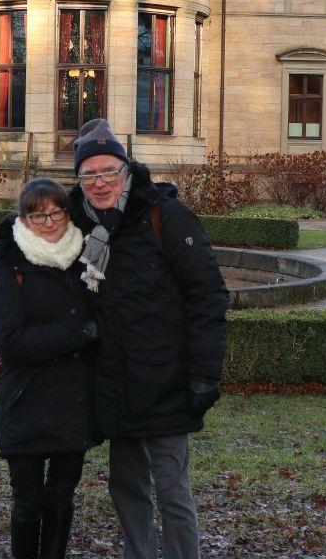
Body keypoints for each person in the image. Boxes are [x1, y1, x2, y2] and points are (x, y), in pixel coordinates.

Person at [69, 118, 229, 559]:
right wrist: (0, 270)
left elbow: (208, 296)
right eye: (88, 174)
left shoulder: (164, 214)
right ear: (78, 179)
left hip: (167, 380)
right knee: (127, 488)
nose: (99, 183)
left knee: (173, 491)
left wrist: (204, 375)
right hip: (114, 382)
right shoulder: (78, 223)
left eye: (107, 172)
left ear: (125, 169)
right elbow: (35, 247)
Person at [0, 178, 102, 559]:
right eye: (38, 215)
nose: (48, 221)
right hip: (27, 402)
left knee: (61, 498)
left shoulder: (85, 260)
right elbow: (12, 343)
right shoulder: (9, 266)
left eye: (55, 212)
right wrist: (78, 333)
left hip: (73, 401)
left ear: (68, 213)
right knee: (29, 502)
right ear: (24, 218)